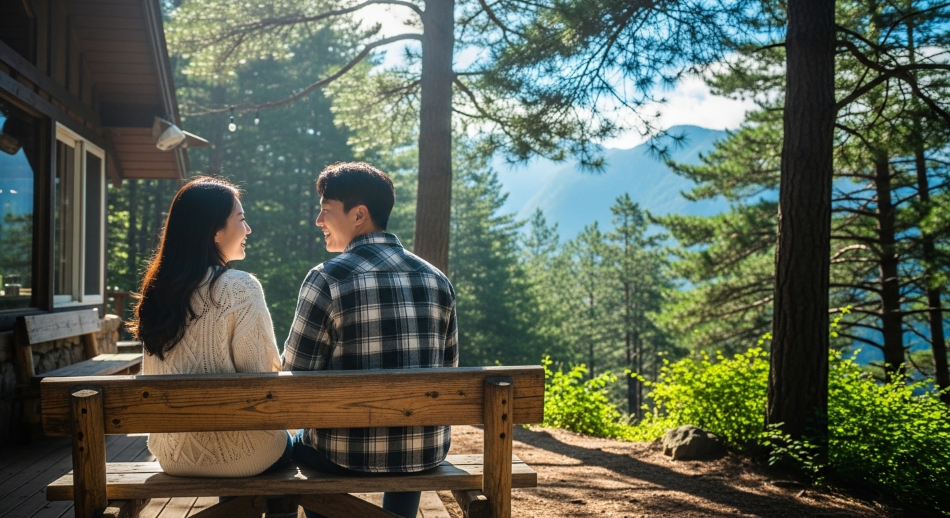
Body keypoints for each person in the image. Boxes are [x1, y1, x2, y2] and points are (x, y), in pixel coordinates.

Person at [283, 162, 459, 518]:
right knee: (409, 443)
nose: (318, 221)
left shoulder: (326, 278)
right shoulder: (437, 279)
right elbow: (448, 372)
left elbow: (295, 377)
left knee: (288, 446)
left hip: (344, 455)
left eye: (326, 211)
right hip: (425, 452)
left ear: (359, 215)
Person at [131, 176, 292, 477]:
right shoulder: (240, 288)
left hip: (173, 456)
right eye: (241, 220)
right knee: (295, 444)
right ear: (215, 231)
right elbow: (264, 382)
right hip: (245, 454)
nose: (248, 229)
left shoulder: (159, 291)